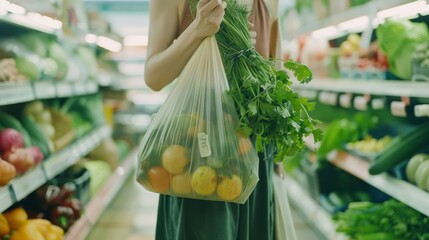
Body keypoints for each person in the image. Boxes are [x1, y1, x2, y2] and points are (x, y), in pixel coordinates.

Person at [144, 0, 282, 239]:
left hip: (254, 152)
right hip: (197, 149)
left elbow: (277, 74)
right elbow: (153, 77)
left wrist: (278, 155)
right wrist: (197, 30)